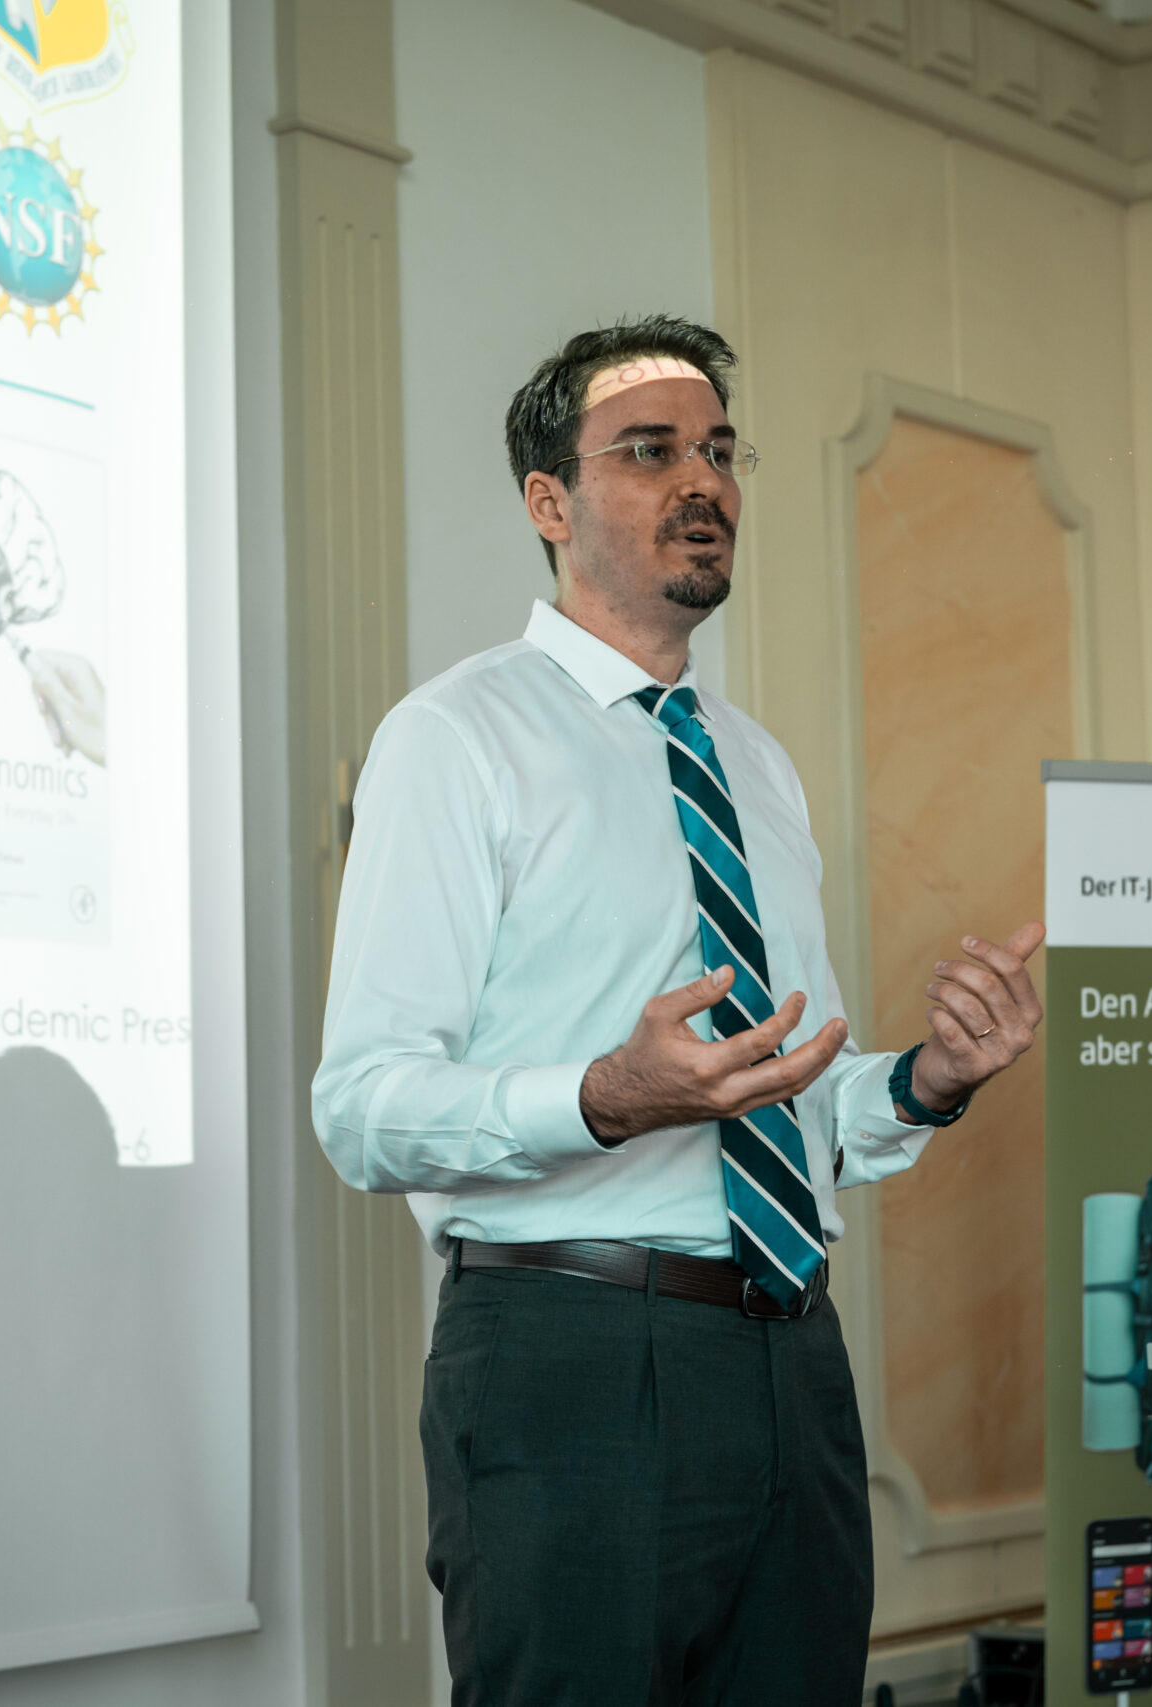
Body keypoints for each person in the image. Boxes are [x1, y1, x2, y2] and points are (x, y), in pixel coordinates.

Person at [312, 315, 1043, 1706]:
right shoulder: (456, 739)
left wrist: (929, 1081)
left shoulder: (753, 764)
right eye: (649, 452)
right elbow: (361, 1111)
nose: (701, 481)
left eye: (718, 450)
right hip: (571, 1357)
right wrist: (604, 1098)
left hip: (791, 1360)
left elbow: (791, 1094)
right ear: (550, 502)